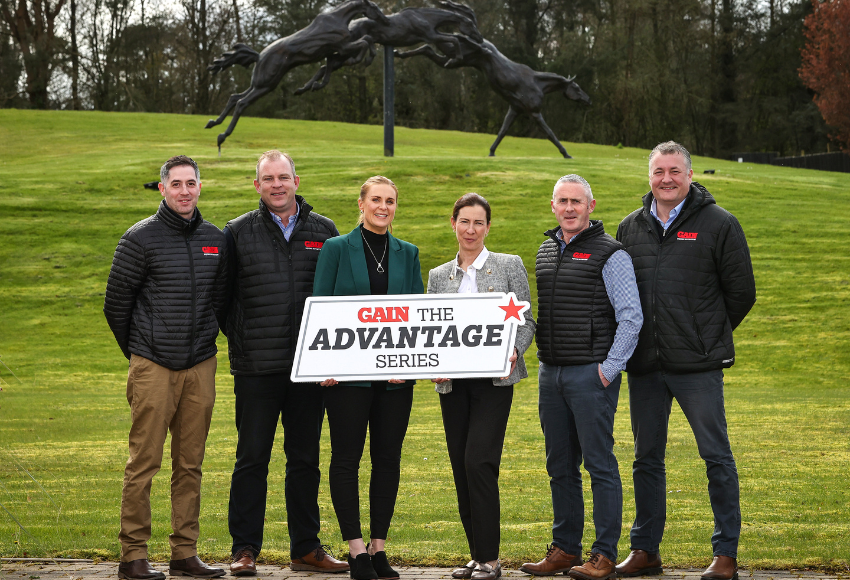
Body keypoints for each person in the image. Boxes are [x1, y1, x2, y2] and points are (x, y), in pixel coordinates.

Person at [615, 142, 756, 580]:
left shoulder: (720, 224)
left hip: (697, 365)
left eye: (675, 171)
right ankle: (645, 550)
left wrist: (705, 334)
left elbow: (742, 293)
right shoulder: (629, 228)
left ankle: (725, 554)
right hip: (645, 366)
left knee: (716, 456)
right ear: (649, 176)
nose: (667, 179)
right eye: (659, 171)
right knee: (646, 459)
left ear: (691, 176)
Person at [104, 155, 229, 580]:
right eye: (175, 184)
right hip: (152, 365)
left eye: (191, 183)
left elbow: (222, 300)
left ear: (199, 187)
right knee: (144, 462)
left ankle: (184, 553)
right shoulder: (139, 239)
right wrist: (140, 353)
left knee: (190, 463)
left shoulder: (215, 238)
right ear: (162, 189)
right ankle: (133, 555)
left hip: (201, 364)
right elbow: (116, 306)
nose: (184, 191)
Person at [223, 150, 346, 576]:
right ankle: (244, 549)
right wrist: (242, 345)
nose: (277, 184)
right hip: (256, 368)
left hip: (308, 372)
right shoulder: (237, 232)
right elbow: (223, 301)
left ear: (297, 180)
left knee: (305, 460)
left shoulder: (325, 231)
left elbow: (338, 298)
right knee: (252, 457)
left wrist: (330, 358)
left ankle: (306, 549)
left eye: (284, 177)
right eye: (268, 178)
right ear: (256, 185)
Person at [521, 175, 642, 580]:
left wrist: (608, 370)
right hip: (550, 372)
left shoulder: (611, 253)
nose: (569, 208)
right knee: (560, 466)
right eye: (562, 201)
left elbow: (631, 317)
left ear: (591, 206)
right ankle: (564, 549)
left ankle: (604, 554)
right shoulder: (544, 250)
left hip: (591, 376)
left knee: (600, 465)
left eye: (577, 201)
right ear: (552, 205)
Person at [313, 176, 424, 580]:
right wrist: (324, 365)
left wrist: (407, 366)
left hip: (394, 381)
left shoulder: (407, 253)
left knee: (387, 460)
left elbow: (414, 314)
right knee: (346, 458)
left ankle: (379, 548)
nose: (383, 206)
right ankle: (356, 550)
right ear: (360, 203)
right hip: (346, 380)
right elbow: (320, 308)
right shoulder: (336, 249)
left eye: (390, 201)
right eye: (375, 199)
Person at [426, 193, 536, 580]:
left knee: (479, 462)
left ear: (488, 227)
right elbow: (431, 333)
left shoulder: (509, 266)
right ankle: (476, 556)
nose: (471, 230)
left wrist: (514, 351)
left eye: (478, 223)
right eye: (464, 222)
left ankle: (491, 559)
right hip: (453, 385)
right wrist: (433, 365)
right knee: (461, 467)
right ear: (453, 223)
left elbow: (526, 323)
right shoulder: (439, 276)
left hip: (494, 381)